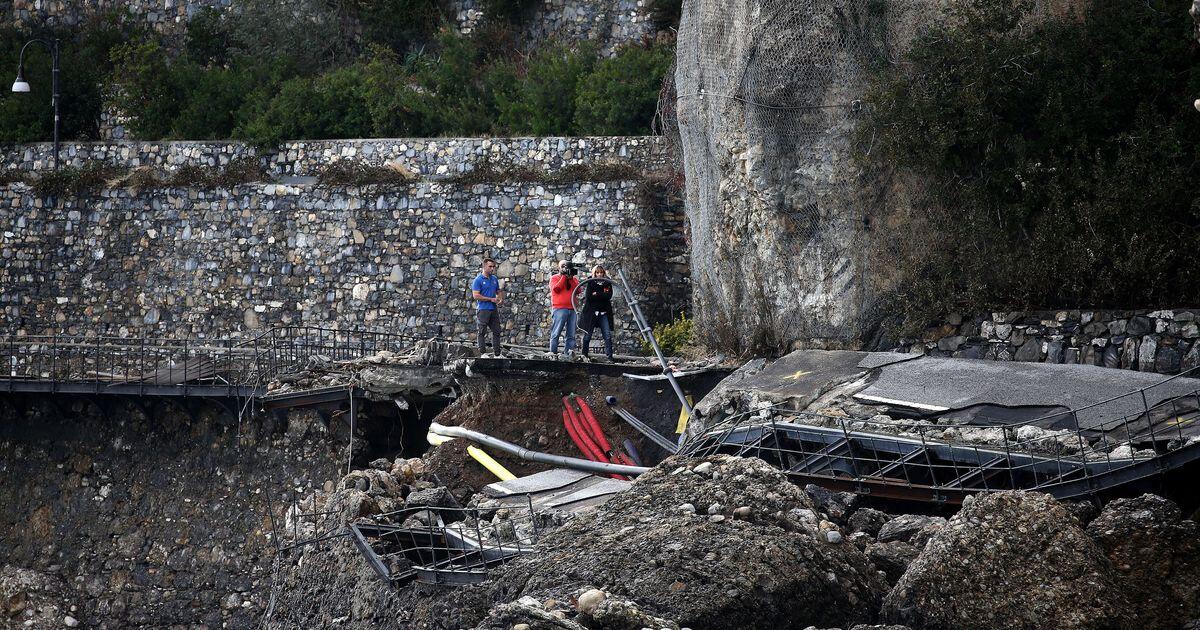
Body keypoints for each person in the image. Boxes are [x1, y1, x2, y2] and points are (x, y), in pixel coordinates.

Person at [579, 265, 615, 361]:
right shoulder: (590, 282)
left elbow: (608, 296)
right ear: (594, 273)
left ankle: (609, 357)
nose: (599, 274)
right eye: (597, 272)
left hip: (603, 313)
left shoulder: (607, 283)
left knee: (607, 335)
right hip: (592, 313)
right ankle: (584, 355)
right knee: (587, 335)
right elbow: (589, 297)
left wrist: (597, 294)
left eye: (601, 272)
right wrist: (601, 295)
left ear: (603, 273)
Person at [471, 258, 504, 357]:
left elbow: (498, 291)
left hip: (493, 309)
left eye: (493, 266)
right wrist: (490, 299)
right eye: (490, 266)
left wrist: (500, 299)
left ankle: (497, 354)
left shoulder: (494, 279)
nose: (492, 268)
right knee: (482, 331)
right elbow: (476, 295)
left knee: (497, 331)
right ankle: (483, 353)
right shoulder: (478, 280)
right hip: (483, 309)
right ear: (484, 267)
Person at [548, 260, 580, 357]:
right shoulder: (554, 278)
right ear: (559, 268)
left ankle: (568, 355)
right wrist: (563, 277)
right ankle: (552, 354)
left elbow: (578, 290)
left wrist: (570, 278)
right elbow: (556, 289)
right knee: (556, 333)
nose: (565, 269)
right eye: (562, 266)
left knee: (571, 334)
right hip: (559, 308)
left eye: (566, 267)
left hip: (572, 309)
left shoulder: (573, 279)